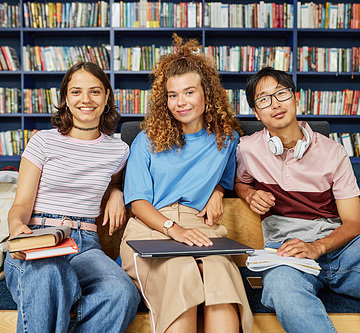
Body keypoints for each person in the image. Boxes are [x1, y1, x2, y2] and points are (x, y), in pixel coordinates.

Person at [235, 66, 360, 332]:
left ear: (296, 98)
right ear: (256, 112)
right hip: (287, 254)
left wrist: (318, 247)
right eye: (264, 99)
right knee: (282, 288)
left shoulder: (333, 152)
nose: (275, 104)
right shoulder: (248, 149)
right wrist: (249, 193)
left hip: (340, 249)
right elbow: (240, 182)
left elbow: (355, 223)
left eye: (281, 94)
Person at [119, 34, 253, 333]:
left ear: (207, 94)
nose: (180, 102)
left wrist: (218, 190)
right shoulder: (146, 140)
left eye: (189, 92)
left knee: (218, 270)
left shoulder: (227, 138)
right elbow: (137, 203)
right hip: (152, 229)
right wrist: (173, 229)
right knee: (181, 271)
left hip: (200, 230)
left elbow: (226, 179)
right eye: (172, 94)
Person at [4, 61, 140, 333]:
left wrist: (116, 191)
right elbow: (21, 204)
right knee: (48, 274)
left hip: (84, 243)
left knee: (122, 293)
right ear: (65, 98)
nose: (86, 100)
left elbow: (114, 181)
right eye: (76, 92)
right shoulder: (42, 141)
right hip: (39, 235)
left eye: (95, 92)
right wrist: (17, 228)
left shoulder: (119, 150)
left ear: (107, 98)